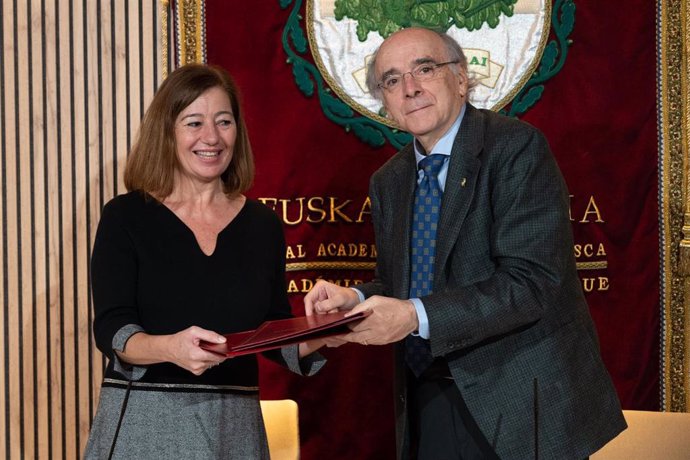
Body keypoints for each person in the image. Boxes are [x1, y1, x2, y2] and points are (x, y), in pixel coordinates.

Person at [305, 28, 626, 459]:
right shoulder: (389, 181)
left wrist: (410, 315)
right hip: (429, 400)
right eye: (393, 79)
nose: (411, 88)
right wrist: (357, 298)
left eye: (425, 69)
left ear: (460, 78)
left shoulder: (516, 147)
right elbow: (406, 286)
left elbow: (530, 283)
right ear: (384, 101)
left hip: (518, 400)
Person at [84, 63, 325, 459]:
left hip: (236, 430)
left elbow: (270, 334)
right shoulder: (126, 216)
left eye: (224, 121)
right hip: (145, 428)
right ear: (167, 132)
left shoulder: (262, 224)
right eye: (194, 123)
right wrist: (170, 348)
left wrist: (328, 333)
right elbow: (113, 331)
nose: (211, 137)